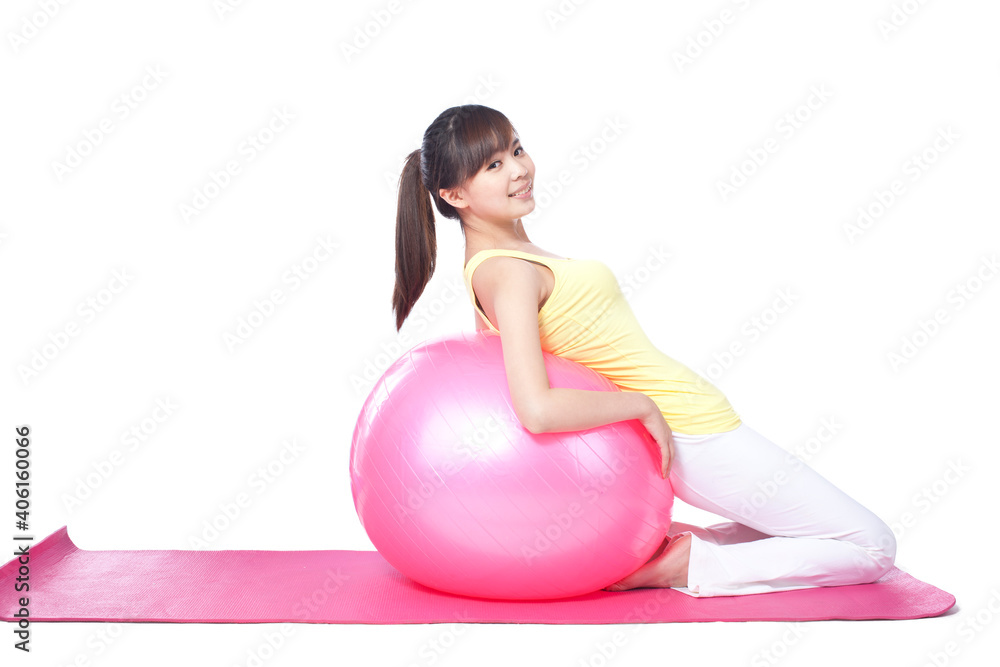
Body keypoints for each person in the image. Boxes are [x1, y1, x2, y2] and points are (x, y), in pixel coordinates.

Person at [391, 104, 897, 597]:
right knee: (872, 546)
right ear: (454, 194)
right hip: (685, 433)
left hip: (689, 423)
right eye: (494, 165)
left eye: (517, 149)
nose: (520, 170)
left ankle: (686, 550)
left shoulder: (502, 263)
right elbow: (535, 408)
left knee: (807, 528)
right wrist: (642, 404)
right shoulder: (508, 272)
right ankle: (690, 563)